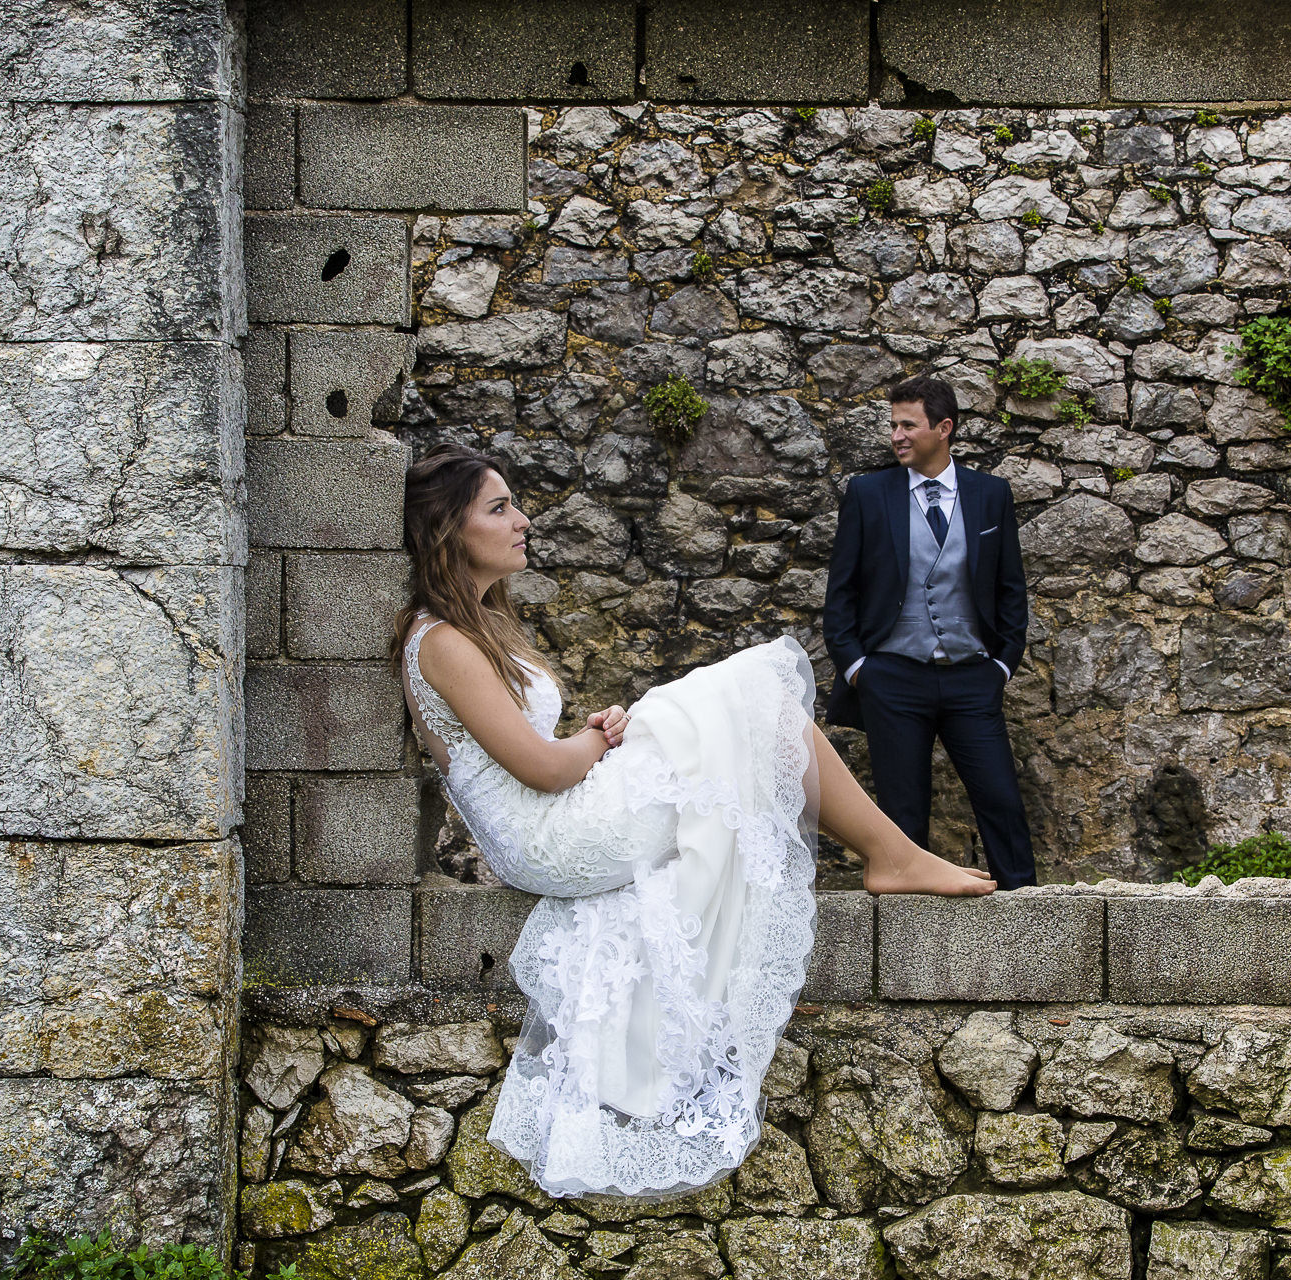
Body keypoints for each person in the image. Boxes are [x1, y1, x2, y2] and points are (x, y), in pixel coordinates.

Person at [393, 444, 992, 1203]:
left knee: (745, 716)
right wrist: (598, 741)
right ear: (449, 531)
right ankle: (891, 854)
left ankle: (893, 854)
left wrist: (594, 734)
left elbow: (534, 753)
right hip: (554, 839)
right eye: (500, 507)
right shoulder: (441, 640)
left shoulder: (471, 625)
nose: (524, 520)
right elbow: (544, 771)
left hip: (562, 813)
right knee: (750, 703)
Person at [822, 374, 1039, 890]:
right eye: (893, 424)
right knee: (903, 815)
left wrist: (1002, 665)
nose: (896, 435)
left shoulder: (990, 495)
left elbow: (1010, 588)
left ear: (943, 428)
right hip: (891, 676)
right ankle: (902, 949)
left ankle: (1034, 922)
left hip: (971, 677)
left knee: (1001, 801)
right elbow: (841, 593)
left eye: (907, 425)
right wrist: (859, 670)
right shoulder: (869, 494)